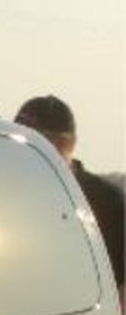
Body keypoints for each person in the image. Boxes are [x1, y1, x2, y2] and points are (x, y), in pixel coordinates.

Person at [13, 95, 125, 294]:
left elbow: (121, 282)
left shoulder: (104, 200)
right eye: (23, 140)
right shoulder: (1, 194)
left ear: (68, 144)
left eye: (44, 141)